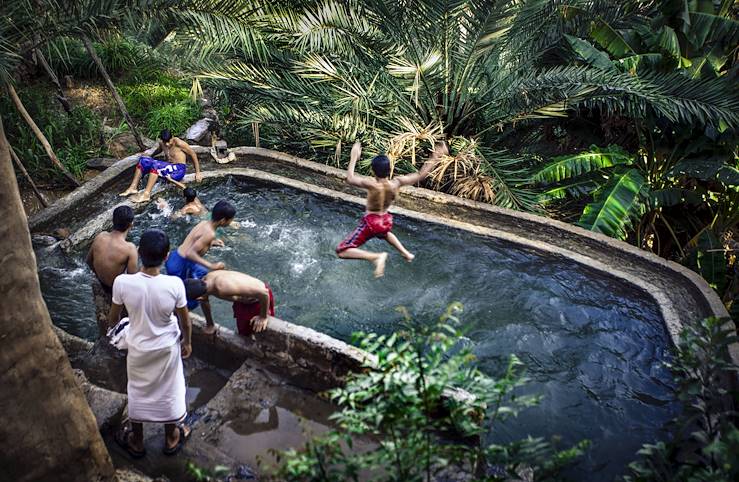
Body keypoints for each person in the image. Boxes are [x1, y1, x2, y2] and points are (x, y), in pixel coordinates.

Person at [108, 229, 192, 458]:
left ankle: (137, 441)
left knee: (138, 390)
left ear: (139, 253)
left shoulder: (122, 282)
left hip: (138, 347)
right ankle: (171, 438)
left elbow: (113, 318)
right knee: (169, 389)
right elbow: (185, 322)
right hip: (166, 348)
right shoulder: (174, 284)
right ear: (166, 256)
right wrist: (187, 343)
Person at [336, 140, 447, 277]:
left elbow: (350, 178)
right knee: (384, 233)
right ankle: (405, 253)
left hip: (371, 222)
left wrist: (354, 156)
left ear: (373, 170)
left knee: (342, 251)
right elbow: (421, 175)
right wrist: (436, 155)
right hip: (386, 220)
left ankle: (375, 257)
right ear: (389, 170)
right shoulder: (396, 183)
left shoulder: (371, 184)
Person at [165, 200, 236, 334]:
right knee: (199, 294)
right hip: (183, 264)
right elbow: (190, 253)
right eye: (230, 220)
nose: (230, 222)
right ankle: (177, 323)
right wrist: (212, 265)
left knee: (189, 291)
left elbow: (193, 240)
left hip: (176, 257)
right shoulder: (210, 233)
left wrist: (211, 243)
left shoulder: (204, 224)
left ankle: (207, 323)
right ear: (222, 220)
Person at [86, 205, 138, 335]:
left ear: (113, 221)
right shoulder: (129, 248)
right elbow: (133, 281)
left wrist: (101, 273)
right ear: (131, 225)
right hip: (116, 289)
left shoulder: (100, 237)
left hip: (101, 283)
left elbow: (88, 261)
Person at [120, 129, 203, 203]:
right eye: (164, 142)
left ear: (172, 137)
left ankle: (146, 194)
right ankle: (133, 187)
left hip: (178, 170)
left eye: (168, 141)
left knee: (156, 165)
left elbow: (193, 154)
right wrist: (149, 156)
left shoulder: (179, 143)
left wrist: (198, 172)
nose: (166, 144)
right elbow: (158, 150)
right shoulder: (162, 143)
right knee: (143, 160)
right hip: (168, 167)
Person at [184, 270, 274, 336]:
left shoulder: (222, 288)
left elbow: (264, 293)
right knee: (243, 331)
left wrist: (263, 316)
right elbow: (204, 301)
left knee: (258, 329)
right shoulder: (205, 280)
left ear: (199, 297)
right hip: (243, 299)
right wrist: (210, 324)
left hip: (259, 298)